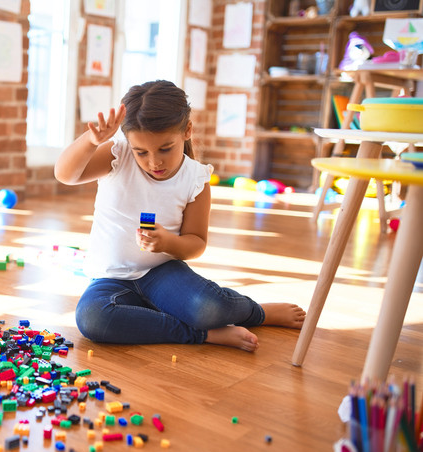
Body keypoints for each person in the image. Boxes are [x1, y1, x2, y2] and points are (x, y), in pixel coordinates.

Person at [54, 80, 305, 352]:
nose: (154, 162)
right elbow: (65, 175)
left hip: (162, 274)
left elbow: (196, 242)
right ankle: (203, 334)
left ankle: (258, 313)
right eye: (142, 152)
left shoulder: (196, 178)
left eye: (165, 148)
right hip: (110, 278)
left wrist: (168, 244)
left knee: (211, 306)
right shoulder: (119, 155)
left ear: (187, 131)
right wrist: (91, 141)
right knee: (93, 318)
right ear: (129, 143)